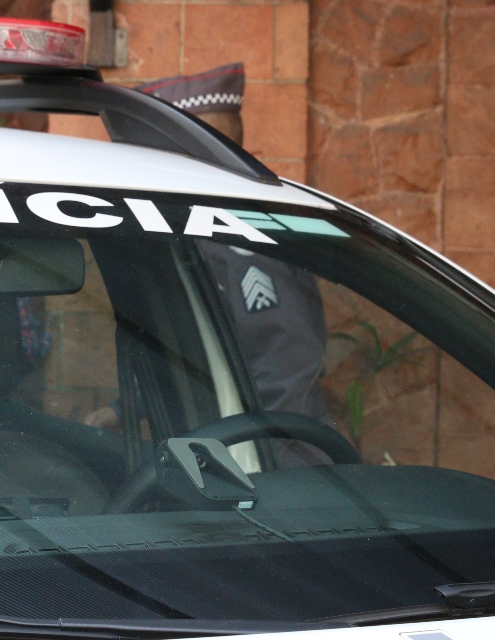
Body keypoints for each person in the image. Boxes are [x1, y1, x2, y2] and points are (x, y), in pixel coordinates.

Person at [84, 64, 335, 467]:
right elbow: (196, 352)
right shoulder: (195, 232)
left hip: (277, 469)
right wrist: (122, 408)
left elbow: (284, 374)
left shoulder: (244, 244)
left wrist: (279, 481)